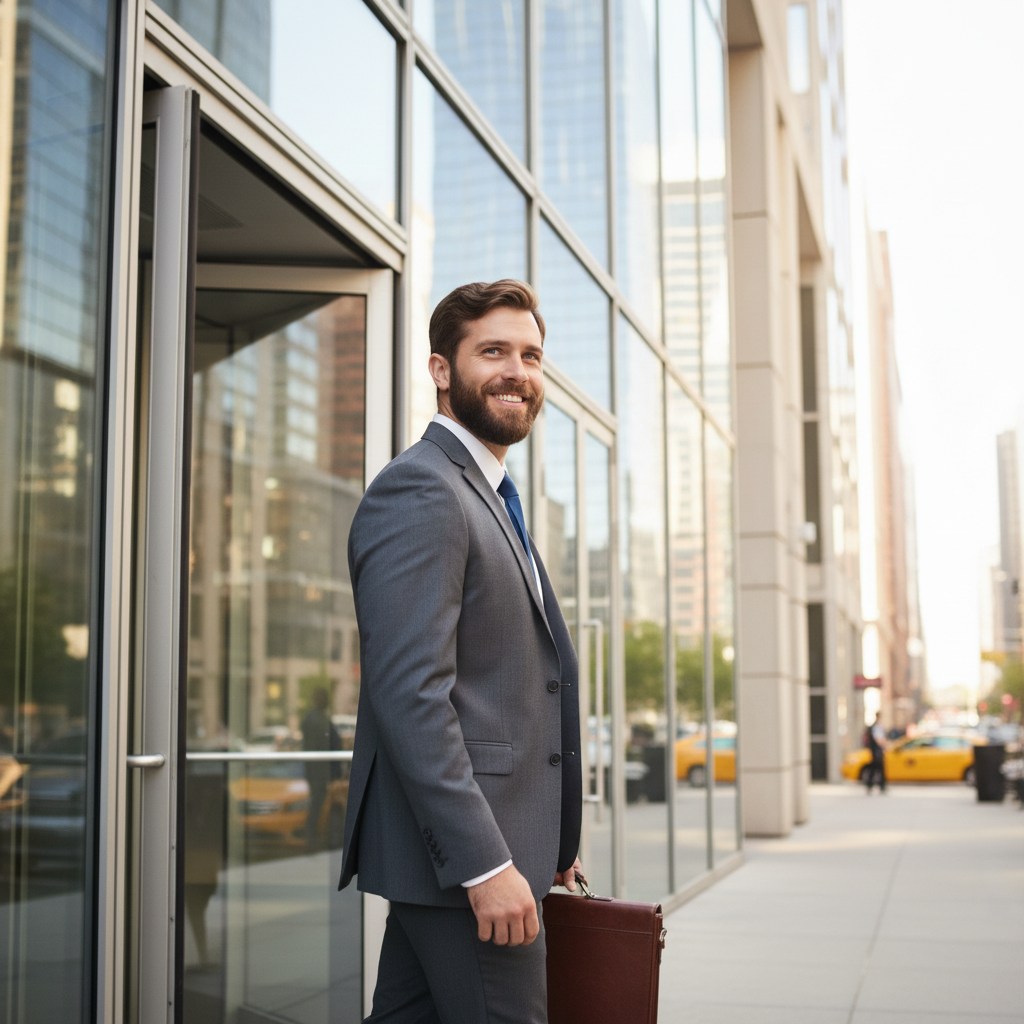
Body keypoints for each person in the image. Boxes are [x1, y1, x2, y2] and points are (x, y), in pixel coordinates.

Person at [338, 280, 583, 1023]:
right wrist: (487, 862)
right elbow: (412, 694)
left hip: (477, 855)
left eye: (531, 355)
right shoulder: (424, 489)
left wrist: (550, 840)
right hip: (472, 864)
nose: (518, 371)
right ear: (442, 369)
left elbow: (508, 685)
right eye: (494, 352)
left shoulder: (487, 492)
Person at [300, 686, 341, 849]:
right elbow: (315, 749)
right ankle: (311, 840)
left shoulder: (320, 718)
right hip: (319, 774)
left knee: (322, 806)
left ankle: (316, 839)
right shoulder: (315, 720)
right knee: (317, 806)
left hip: (323, 773)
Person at [864, 713, 887, 794]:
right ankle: (876, 785)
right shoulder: (876, 727)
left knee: (878, 769)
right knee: (876, 768)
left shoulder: (878, 726)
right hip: (876, 751)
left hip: (877, 751)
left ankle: (880, 786)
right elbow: (878, 739)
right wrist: (883, 746)